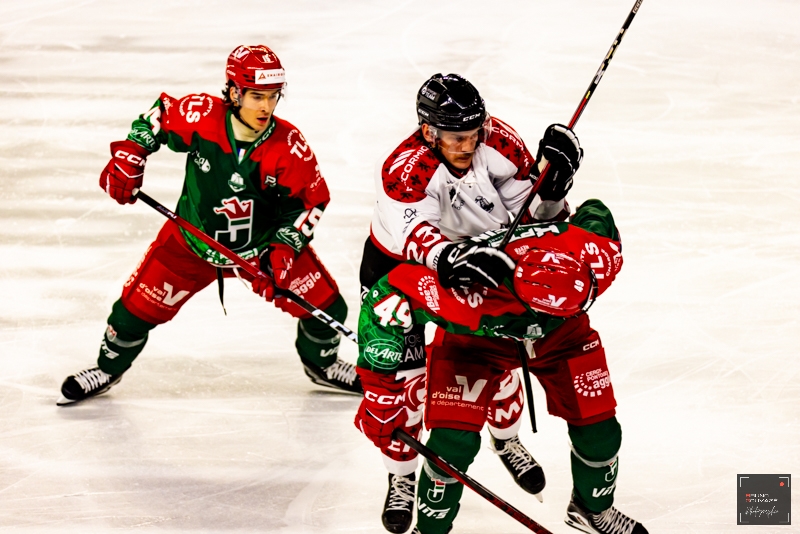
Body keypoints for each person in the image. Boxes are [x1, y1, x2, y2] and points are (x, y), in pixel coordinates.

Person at [59, 45, 361, 404]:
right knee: (131, 315)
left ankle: (322, 365)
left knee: (329, 311)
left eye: (273, 97)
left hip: (262, 248)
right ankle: (107, 369)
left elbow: (310, 202)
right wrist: (131, 154)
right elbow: (157, 118)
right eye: (256, 96)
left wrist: (282, 249)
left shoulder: (289, 146)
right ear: (234, 92)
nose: (266, 107)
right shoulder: (202, 116)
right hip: (191, 242)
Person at [357, 73, 580, 532]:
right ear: (428, 131)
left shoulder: (497, 142)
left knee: (492, 359)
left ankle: (506, 438)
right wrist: (452, 257)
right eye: (459, 137)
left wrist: (552, 189)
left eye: (475, 132)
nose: (470, 144)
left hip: (477, 258)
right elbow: (420, 239)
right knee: (407, 385)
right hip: (400, 273)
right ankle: (401, 477)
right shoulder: (405, 170)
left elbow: (533, 219)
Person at [356, 200, 648, 534]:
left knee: (601, 432)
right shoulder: (469, 293)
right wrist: (382, 391)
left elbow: (597, 212)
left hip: (564, 336)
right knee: (451, 444)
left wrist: (555, 193)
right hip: (477, 343)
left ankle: (592, 510)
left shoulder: (595, 256)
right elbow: (386, 295)